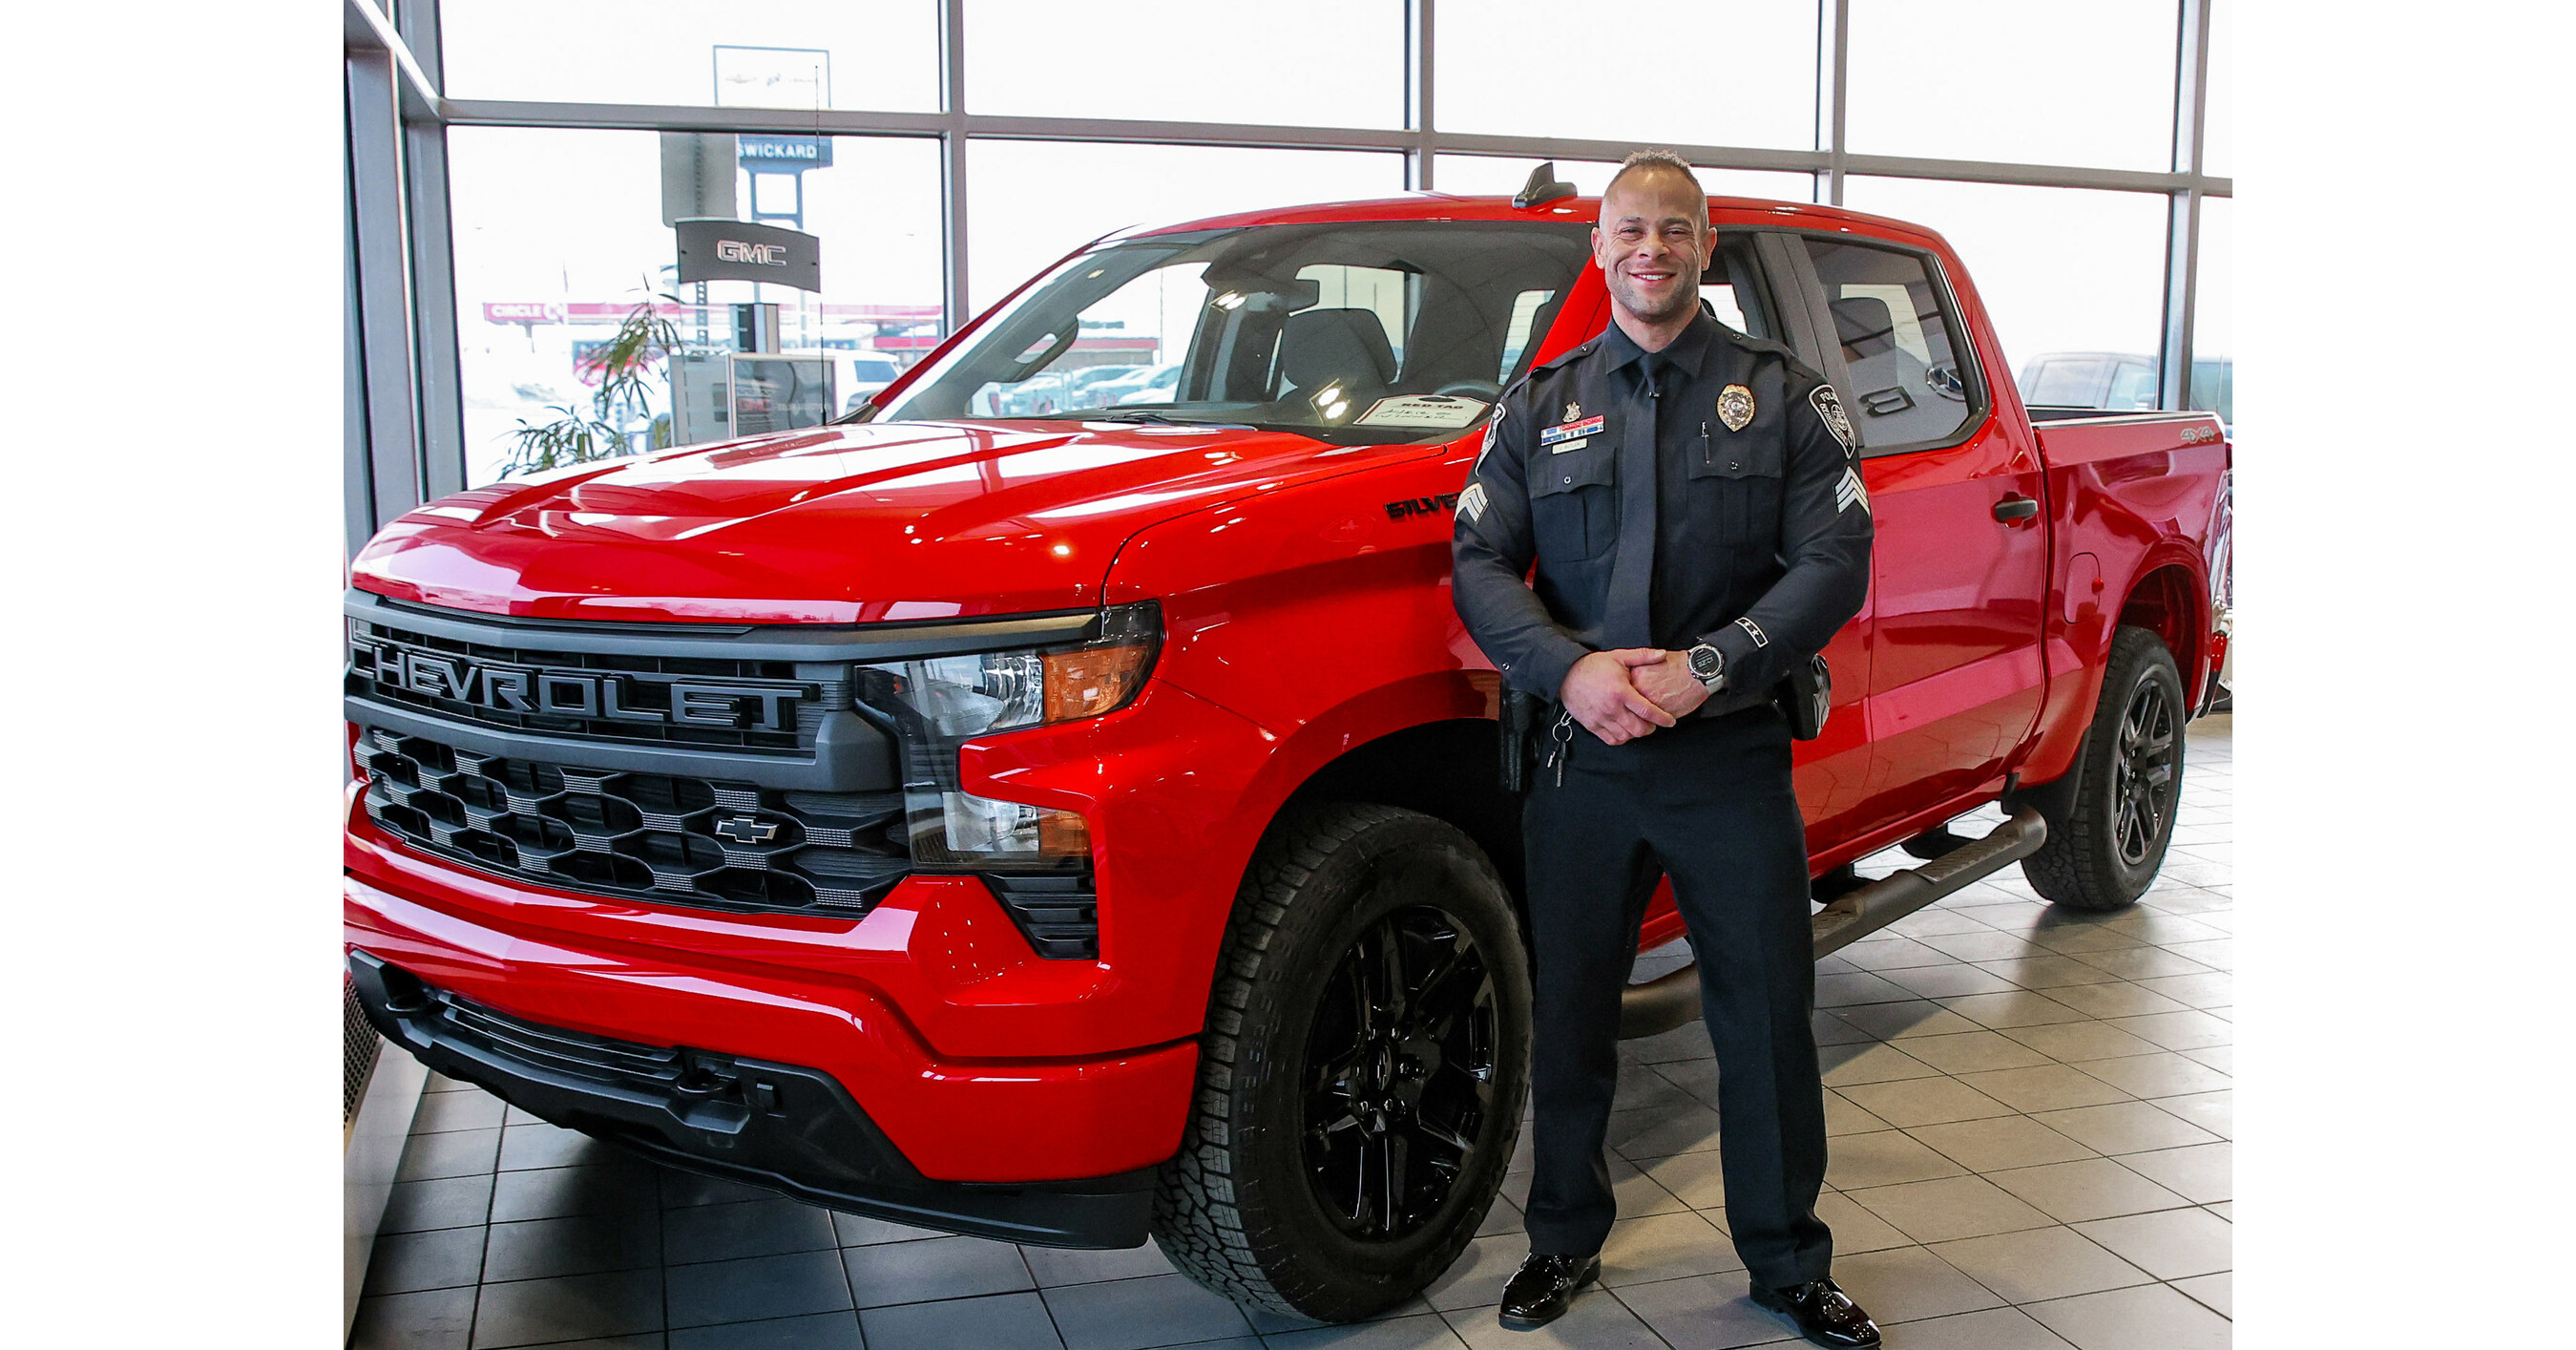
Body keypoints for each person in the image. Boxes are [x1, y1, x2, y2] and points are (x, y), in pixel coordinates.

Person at [1451, 151, 1879, 1347]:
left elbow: (1833, 562)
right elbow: (1479, 562)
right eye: (1630, 229)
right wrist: (1567, 670)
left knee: (1764, 1015)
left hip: (1726, 756)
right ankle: (1560, 1241)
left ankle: (1788, 1263)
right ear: (1599, 247)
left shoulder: (1782, 393)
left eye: (1674, 230)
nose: (1651, 248)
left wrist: (1709, 666)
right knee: (1571, 1011)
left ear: (1704, 246)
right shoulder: (1540, 402)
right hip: (1578, 758)